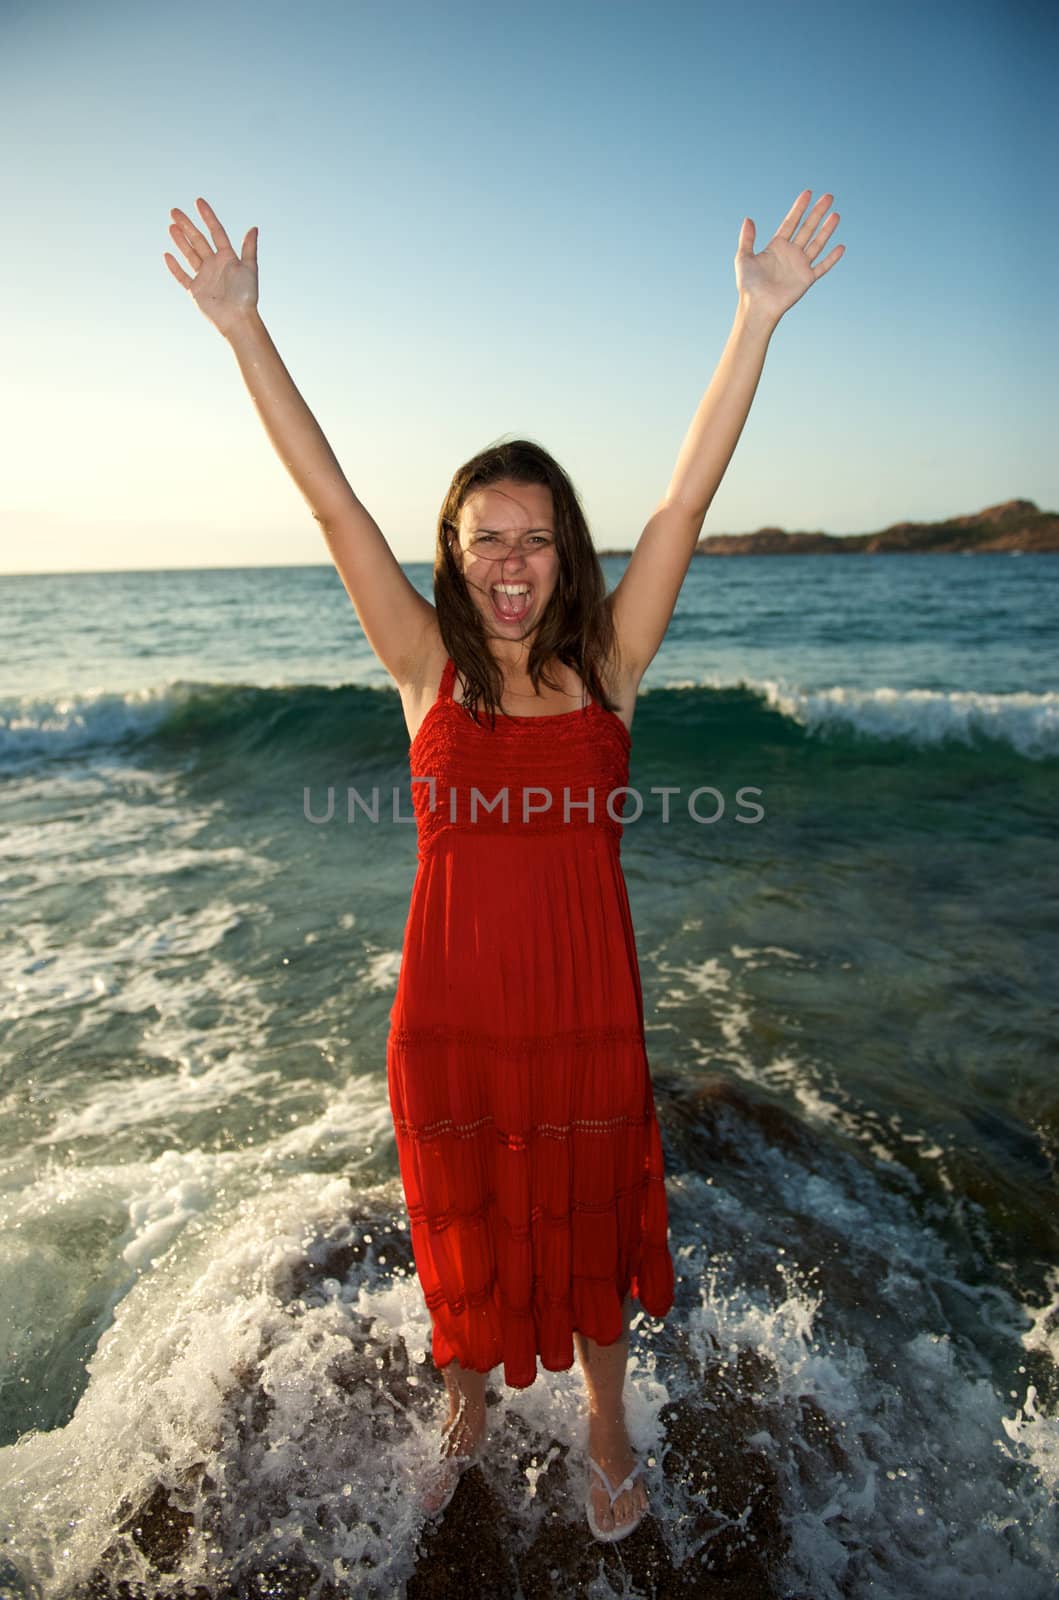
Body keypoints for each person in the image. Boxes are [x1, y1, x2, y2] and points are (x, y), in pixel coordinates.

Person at [163, 189, 844, 1539]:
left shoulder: (611, 670)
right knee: (464, 1217)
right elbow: (330, 497)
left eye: (536, 536)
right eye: (489, 537)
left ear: (565, 552)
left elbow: (687, 497)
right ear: (456, 554)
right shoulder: (424, 670)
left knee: (588, 1219)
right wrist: (246, 331)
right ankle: (465, 1396)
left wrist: (755, 316)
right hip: (454, 1018)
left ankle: (604, 1422)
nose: (514, 561)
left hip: (584, 1014)